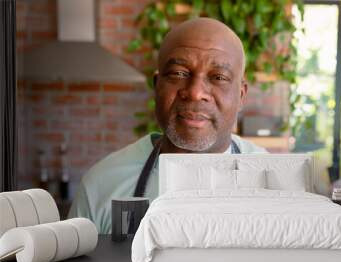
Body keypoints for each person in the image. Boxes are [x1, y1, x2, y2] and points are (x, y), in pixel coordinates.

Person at [68, 17, 266, 234]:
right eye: (179, 74)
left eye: (218, 77)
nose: (195, 92)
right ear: (157, 85)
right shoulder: (102, 184)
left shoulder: (272, 182)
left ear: (241, 95)